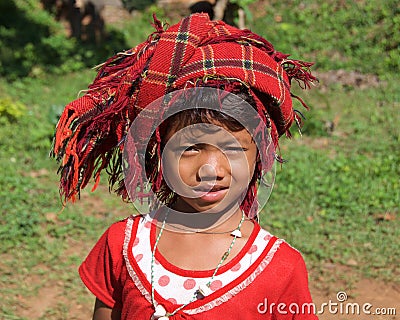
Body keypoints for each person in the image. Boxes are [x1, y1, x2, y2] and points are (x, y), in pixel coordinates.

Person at [51, 13, 318, 320]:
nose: (211, 169)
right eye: (191, 148)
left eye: (233, 149)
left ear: (259, 156)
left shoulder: (280, 269)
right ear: (160, 150)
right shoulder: (122, 245)